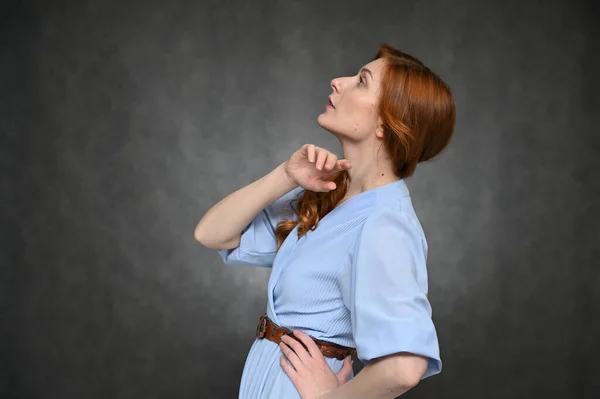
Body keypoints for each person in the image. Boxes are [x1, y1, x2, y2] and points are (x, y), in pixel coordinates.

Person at [195, 43, 456, 399]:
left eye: (361, 81)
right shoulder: (329, 193)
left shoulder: (385, 222)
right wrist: (286, 175)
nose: (337, 82)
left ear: (387, 123)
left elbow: (404, 367)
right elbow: (212, 234)